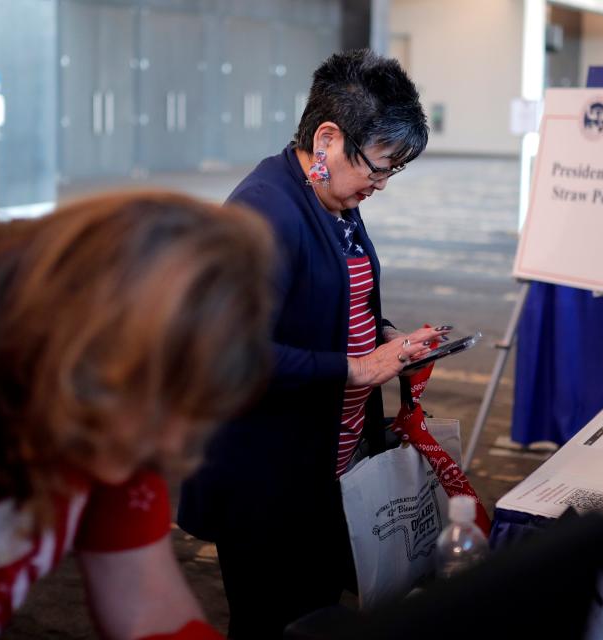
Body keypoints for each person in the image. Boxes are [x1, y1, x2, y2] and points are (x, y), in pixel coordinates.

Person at [0, 192, 273, 639]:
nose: (151, 456)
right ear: (83, 355)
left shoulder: (107, 398)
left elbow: (148, 609)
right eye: (145, 431)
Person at [177, 49, 447, 637]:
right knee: (276, 619)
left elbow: (330, 295)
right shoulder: (264, 213)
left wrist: (387, 338)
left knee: (318, 613)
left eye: (391, 172)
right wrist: (355, 369)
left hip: (323, 460)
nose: (380, 184)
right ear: (327, 138)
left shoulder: (332, 197)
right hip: (266, 479)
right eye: (377, 168)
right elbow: (229, 354)